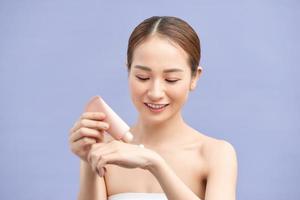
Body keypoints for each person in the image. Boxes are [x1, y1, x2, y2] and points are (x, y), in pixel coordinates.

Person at [69, 16, 238, 200]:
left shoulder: (216, 154)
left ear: (194, 78)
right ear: (129, 71)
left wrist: (155, 164)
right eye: (142, 77)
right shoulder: (106, 150)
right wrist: (88, 161)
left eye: (171, 79)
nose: (155, 92)